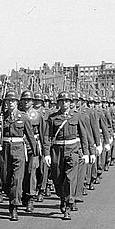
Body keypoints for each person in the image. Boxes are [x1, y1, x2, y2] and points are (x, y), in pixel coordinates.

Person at [43, 92, 91, 220]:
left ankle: (68, 205)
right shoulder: (53, 118)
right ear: (58, 103)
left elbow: (83, 135)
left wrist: (86, 153)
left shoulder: (77, 117)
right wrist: (46, 153)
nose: (64, 103)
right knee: (57, 178)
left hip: (72, 150)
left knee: (70, 178)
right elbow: (47, 137)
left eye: (66, 101)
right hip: (57, 151)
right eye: (61, 101)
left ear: (71, 103)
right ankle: (62, 198)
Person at [0, 91, 37, 220]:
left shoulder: (24, 117)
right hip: (4, 150)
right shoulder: (1, 117)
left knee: (17, 178)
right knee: (5, 179)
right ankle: (11, 196)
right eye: (8, 101)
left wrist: (35, 154)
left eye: (13, 101)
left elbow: (30, 136)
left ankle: (14, 206)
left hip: (18, 149)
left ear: (17, 103)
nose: (10, 103)